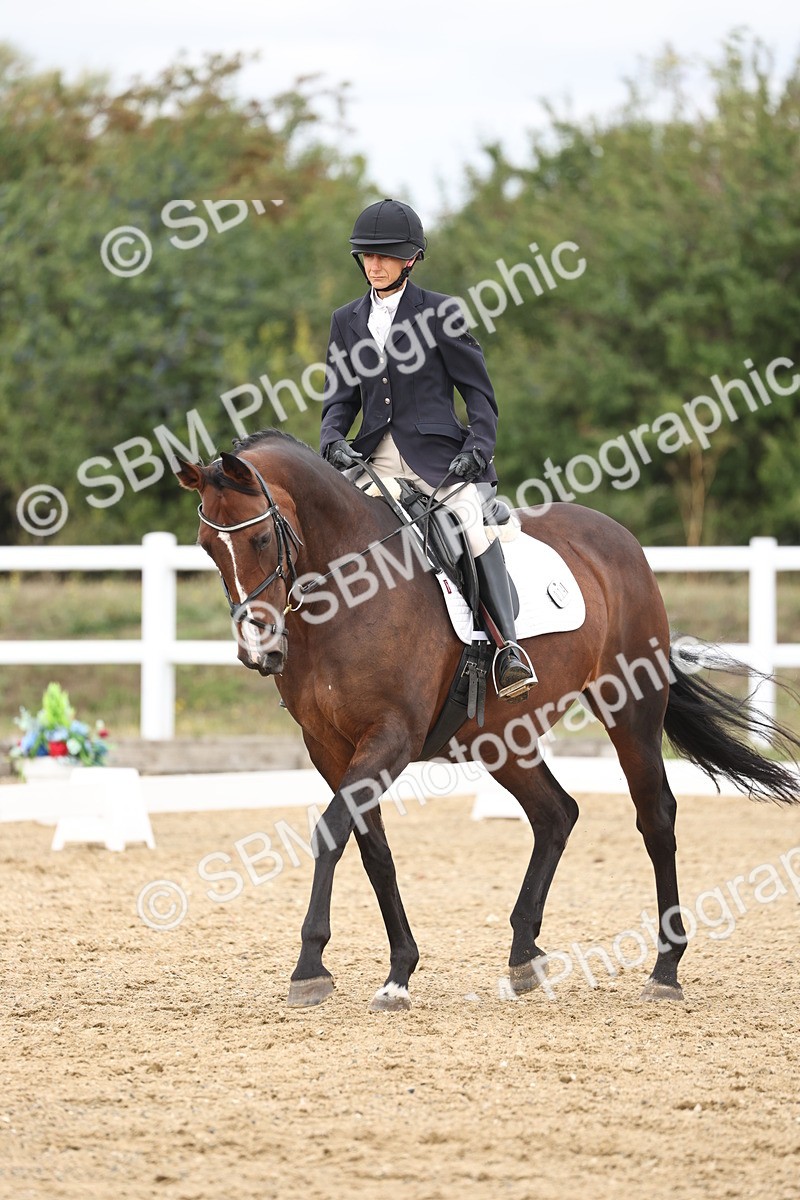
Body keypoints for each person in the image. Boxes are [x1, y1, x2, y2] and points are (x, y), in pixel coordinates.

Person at [319, 198, 536, 701]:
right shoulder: (345, 320)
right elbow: (339, 400)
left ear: (410, 259)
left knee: (471, 527)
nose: (374, 265)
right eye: (367, 256)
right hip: (374, 460)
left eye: (385, 256)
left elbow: (478, 393)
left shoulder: (441, 312)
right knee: (323, 525)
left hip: (438, 461)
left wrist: (479, 449)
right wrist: (332, 443)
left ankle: (507, 648)